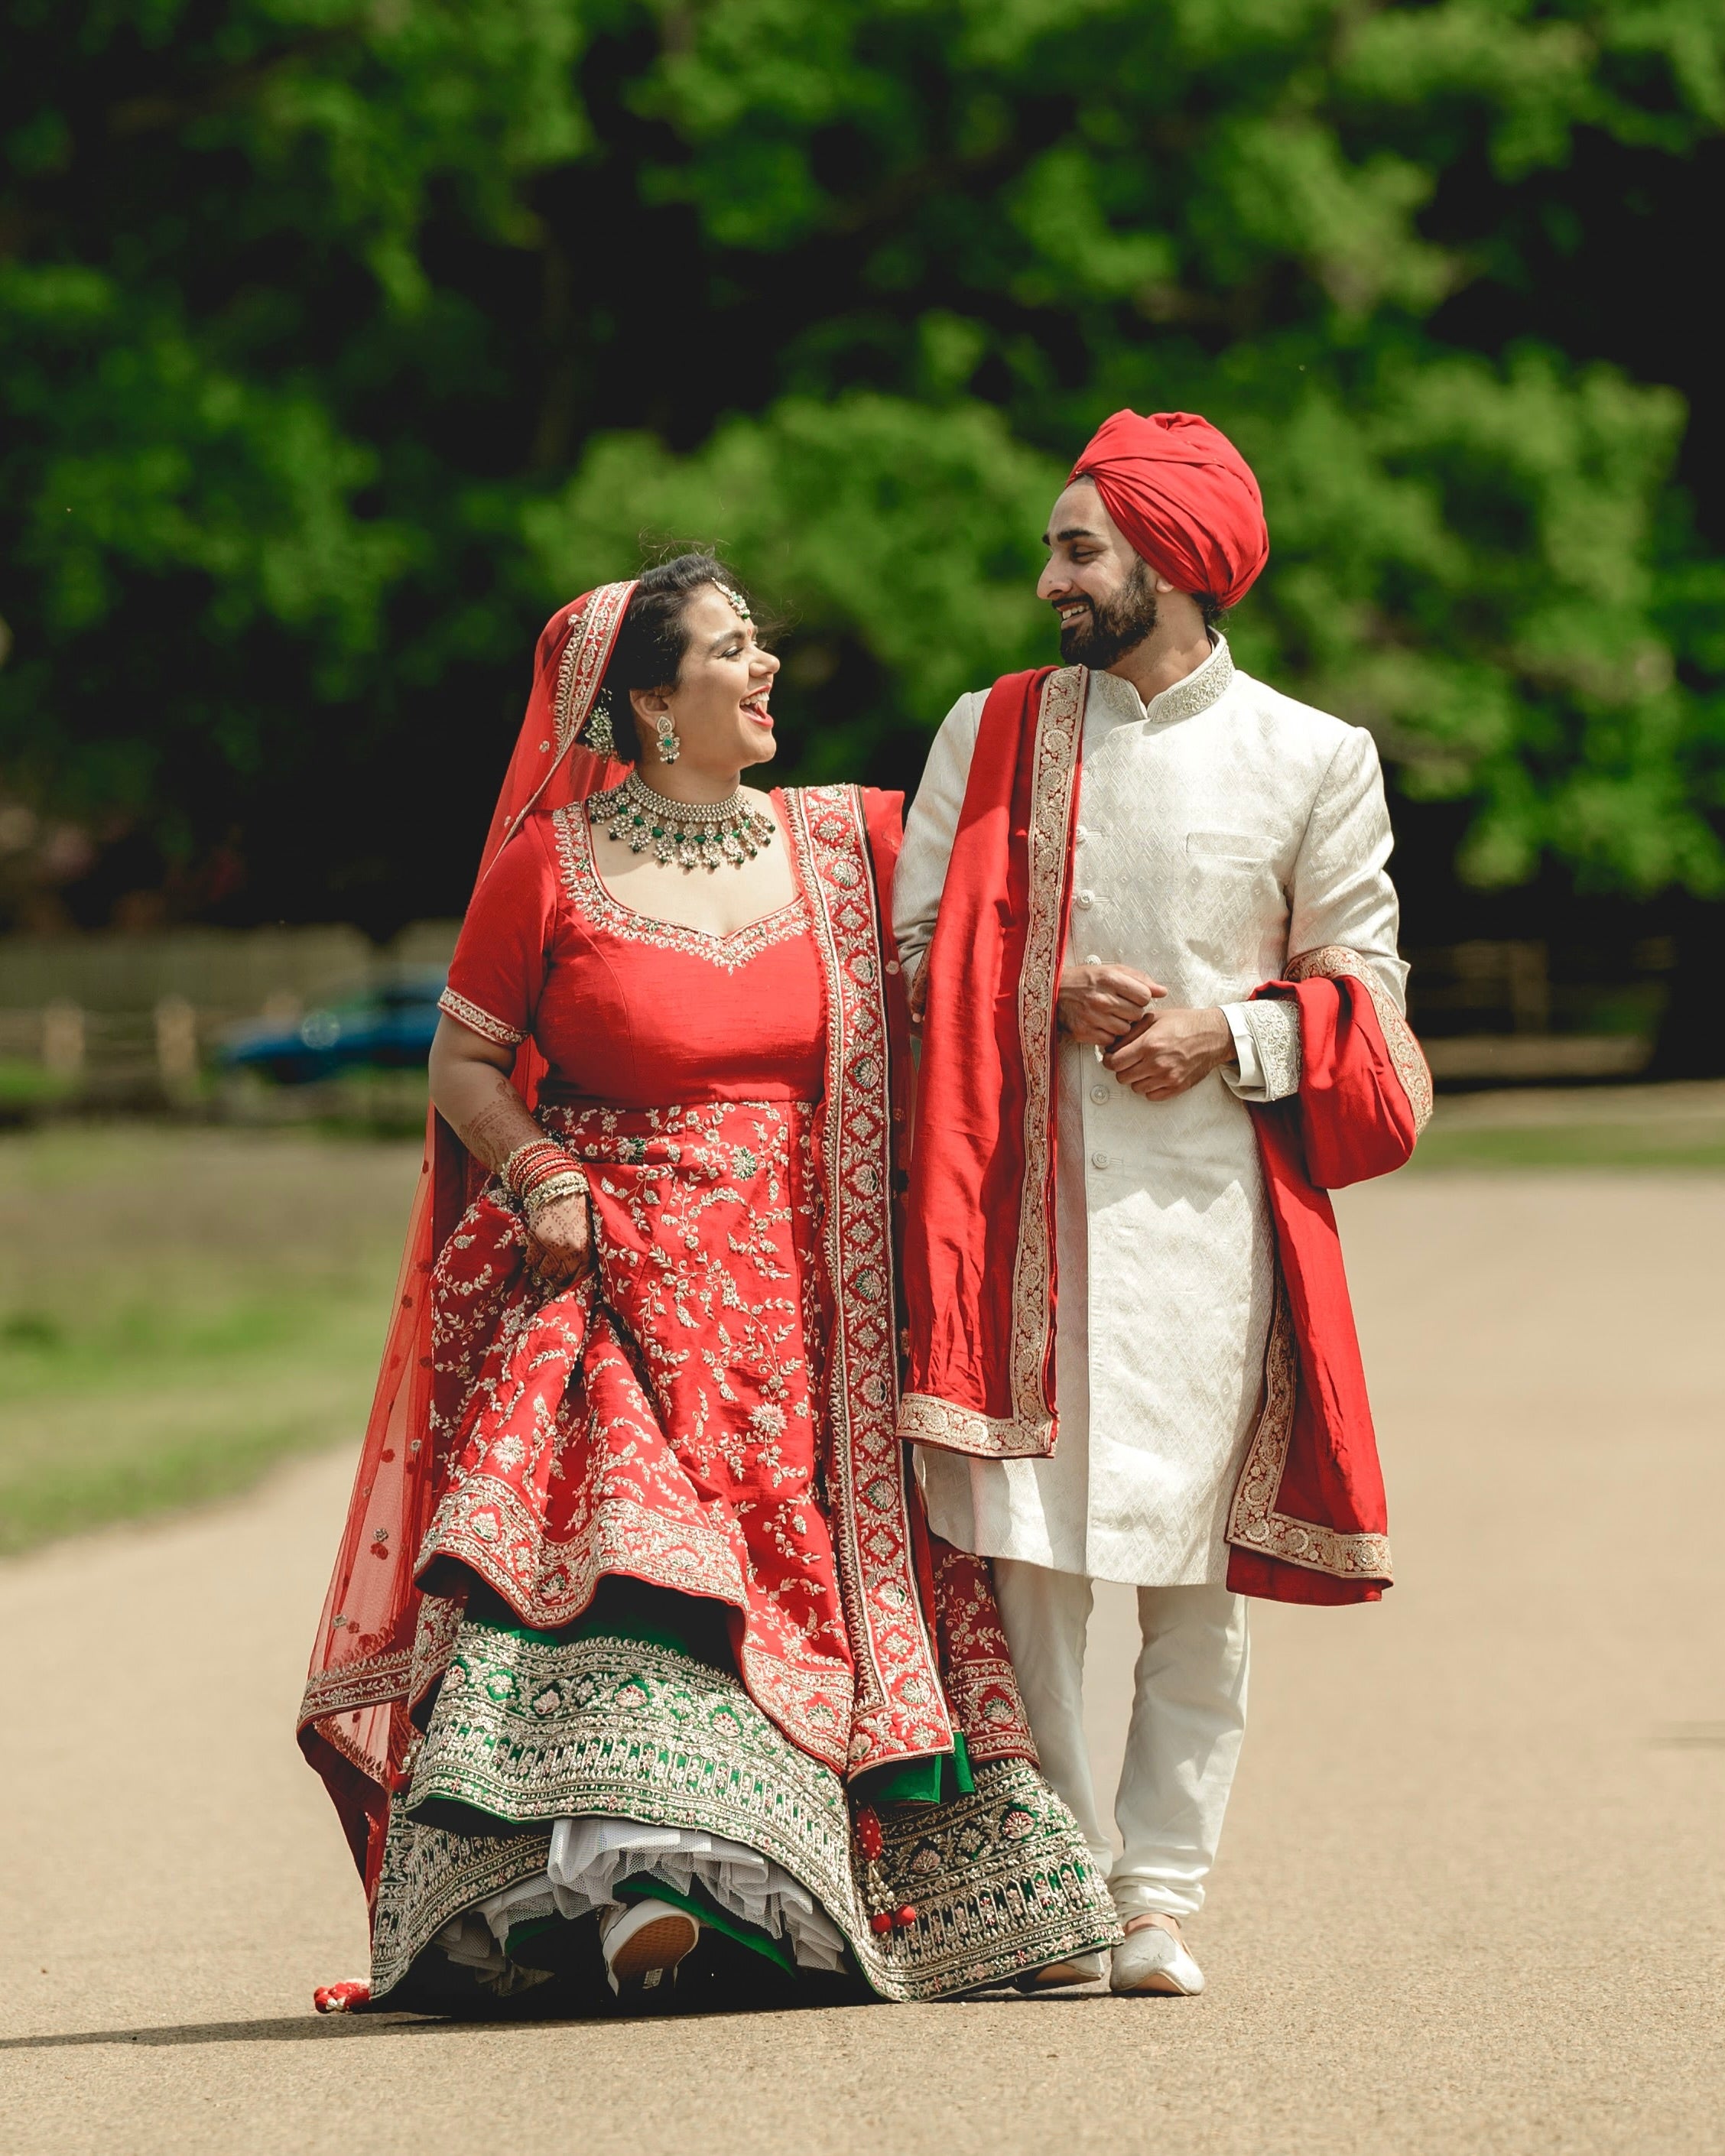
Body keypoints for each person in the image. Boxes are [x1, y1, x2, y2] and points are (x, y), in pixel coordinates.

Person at [297, 554, 1119, 2015]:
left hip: (825, 1313)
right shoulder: (546, 869)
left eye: (761, 644)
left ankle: (935, 1906)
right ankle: (638, 1877)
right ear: (655, 704)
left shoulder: (854, 843)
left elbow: (981, 933)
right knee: (636, 1566)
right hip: (619, 1285)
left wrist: (1063, 990)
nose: (767, 670)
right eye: (735, 649)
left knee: (840, 1598)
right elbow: (464, 1064)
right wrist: (540, 1171)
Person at [892, 411, 1431, 1999]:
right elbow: (910, 962)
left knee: (1195, 1580)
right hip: (1025, 1222)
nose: (1049, 575)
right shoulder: (985, 734)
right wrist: (1039, 989)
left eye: (1078, 548)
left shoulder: (1309, 757)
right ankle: (1066, 1889)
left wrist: (1233, 1033)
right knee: (1037, 1568)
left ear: (1174, 563)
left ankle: (1159, 1897)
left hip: (1214, 1230)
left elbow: (1373, 1004)